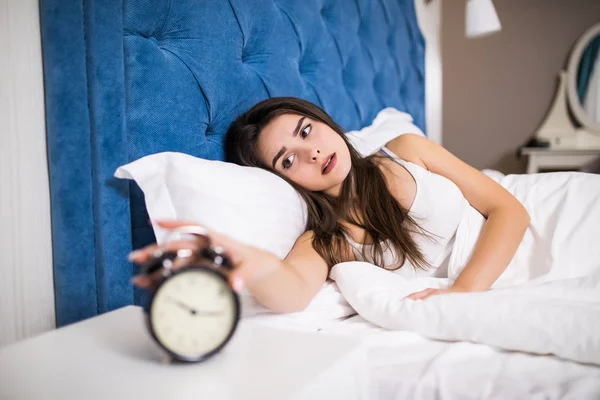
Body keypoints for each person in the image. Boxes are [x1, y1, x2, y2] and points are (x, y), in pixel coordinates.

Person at [130, 97, 600, 313]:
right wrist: (241, 256)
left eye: (306, 130)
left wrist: (464, 294)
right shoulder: (326, 239)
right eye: (288, 159)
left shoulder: (405, 148)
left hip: (548, 216)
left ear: (321, 120)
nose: (312, 153)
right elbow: (291, 292)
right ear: (282, 180)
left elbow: (509, 209)